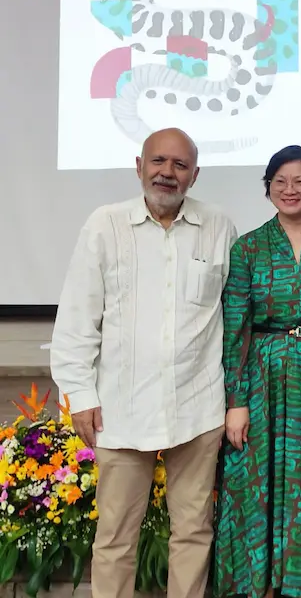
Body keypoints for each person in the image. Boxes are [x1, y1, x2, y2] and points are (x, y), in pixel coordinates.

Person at [50, 128, 237, 598]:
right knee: (114, 539)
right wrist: (80, 396)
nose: (166, 173)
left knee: (193, 533)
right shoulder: (104, 225)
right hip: (121, 408)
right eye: (158, 161)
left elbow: (234, 320)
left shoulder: (219, 227)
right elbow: (77, 318)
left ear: (195, 175)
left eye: (179, 165)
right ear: (139, 165)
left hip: (197, 410)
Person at [214, 145, 301, 598]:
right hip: (261, 378)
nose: (290, 189)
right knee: (256, 481)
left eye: (300, 181)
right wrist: (236, 402)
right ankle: (259, 581)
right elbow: (234, 329)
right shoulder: (248, 247)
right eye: (280, 181)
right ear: (268, 188)